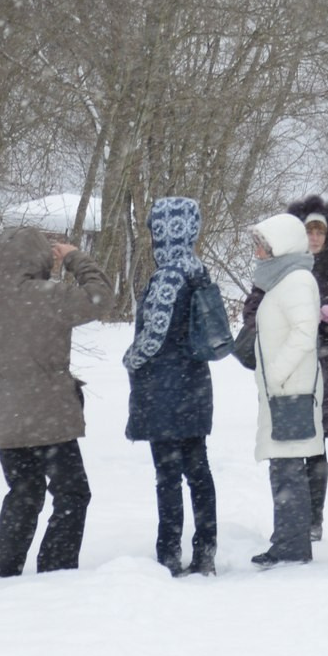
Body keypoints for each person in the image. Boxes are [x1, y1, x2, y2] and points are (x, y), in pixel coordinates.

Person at [0, 225, 107, 577]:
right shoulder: (51, 296)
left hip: (6, 418)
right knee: (72, 494)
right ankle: (56, 570)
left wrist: (5, 268)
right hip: (50, 418)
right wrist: (74, 257)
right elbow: (101, 297)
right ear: (42, 260)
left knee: (23, 493)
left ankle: (3, 570)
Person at [124, 196, 232, 577]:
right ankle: (206, 550)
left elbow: (153, 336)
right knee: (198, 471)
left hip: (164, 392)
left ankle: (169, 553)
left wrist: (131, 358)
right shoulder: (197, 270)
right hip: (194, 387)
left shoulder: (168, 275)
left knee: (168, 476)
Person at [248, 212, 326, 568]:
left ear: (280, 245)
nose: (258, 252)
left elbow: (304, 332)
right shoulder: (283, 280)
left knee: (288, 469)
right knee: (285, 467)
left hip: (290, 389)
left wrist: (276, 374)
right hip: (283, 389)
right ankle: (287, 541)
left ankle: (292, 546)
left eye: (262, 245)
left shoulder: (295, 280)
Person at [286, 194, 328, 541]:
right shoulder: (283, 268)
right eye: (309, 231)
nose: (314, 238)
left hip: (322, 368)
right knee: (288, 445)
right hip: (289, 365)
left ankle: (314, 518)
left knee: (316, 447)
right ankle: (291, 516)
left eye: (320, 232)